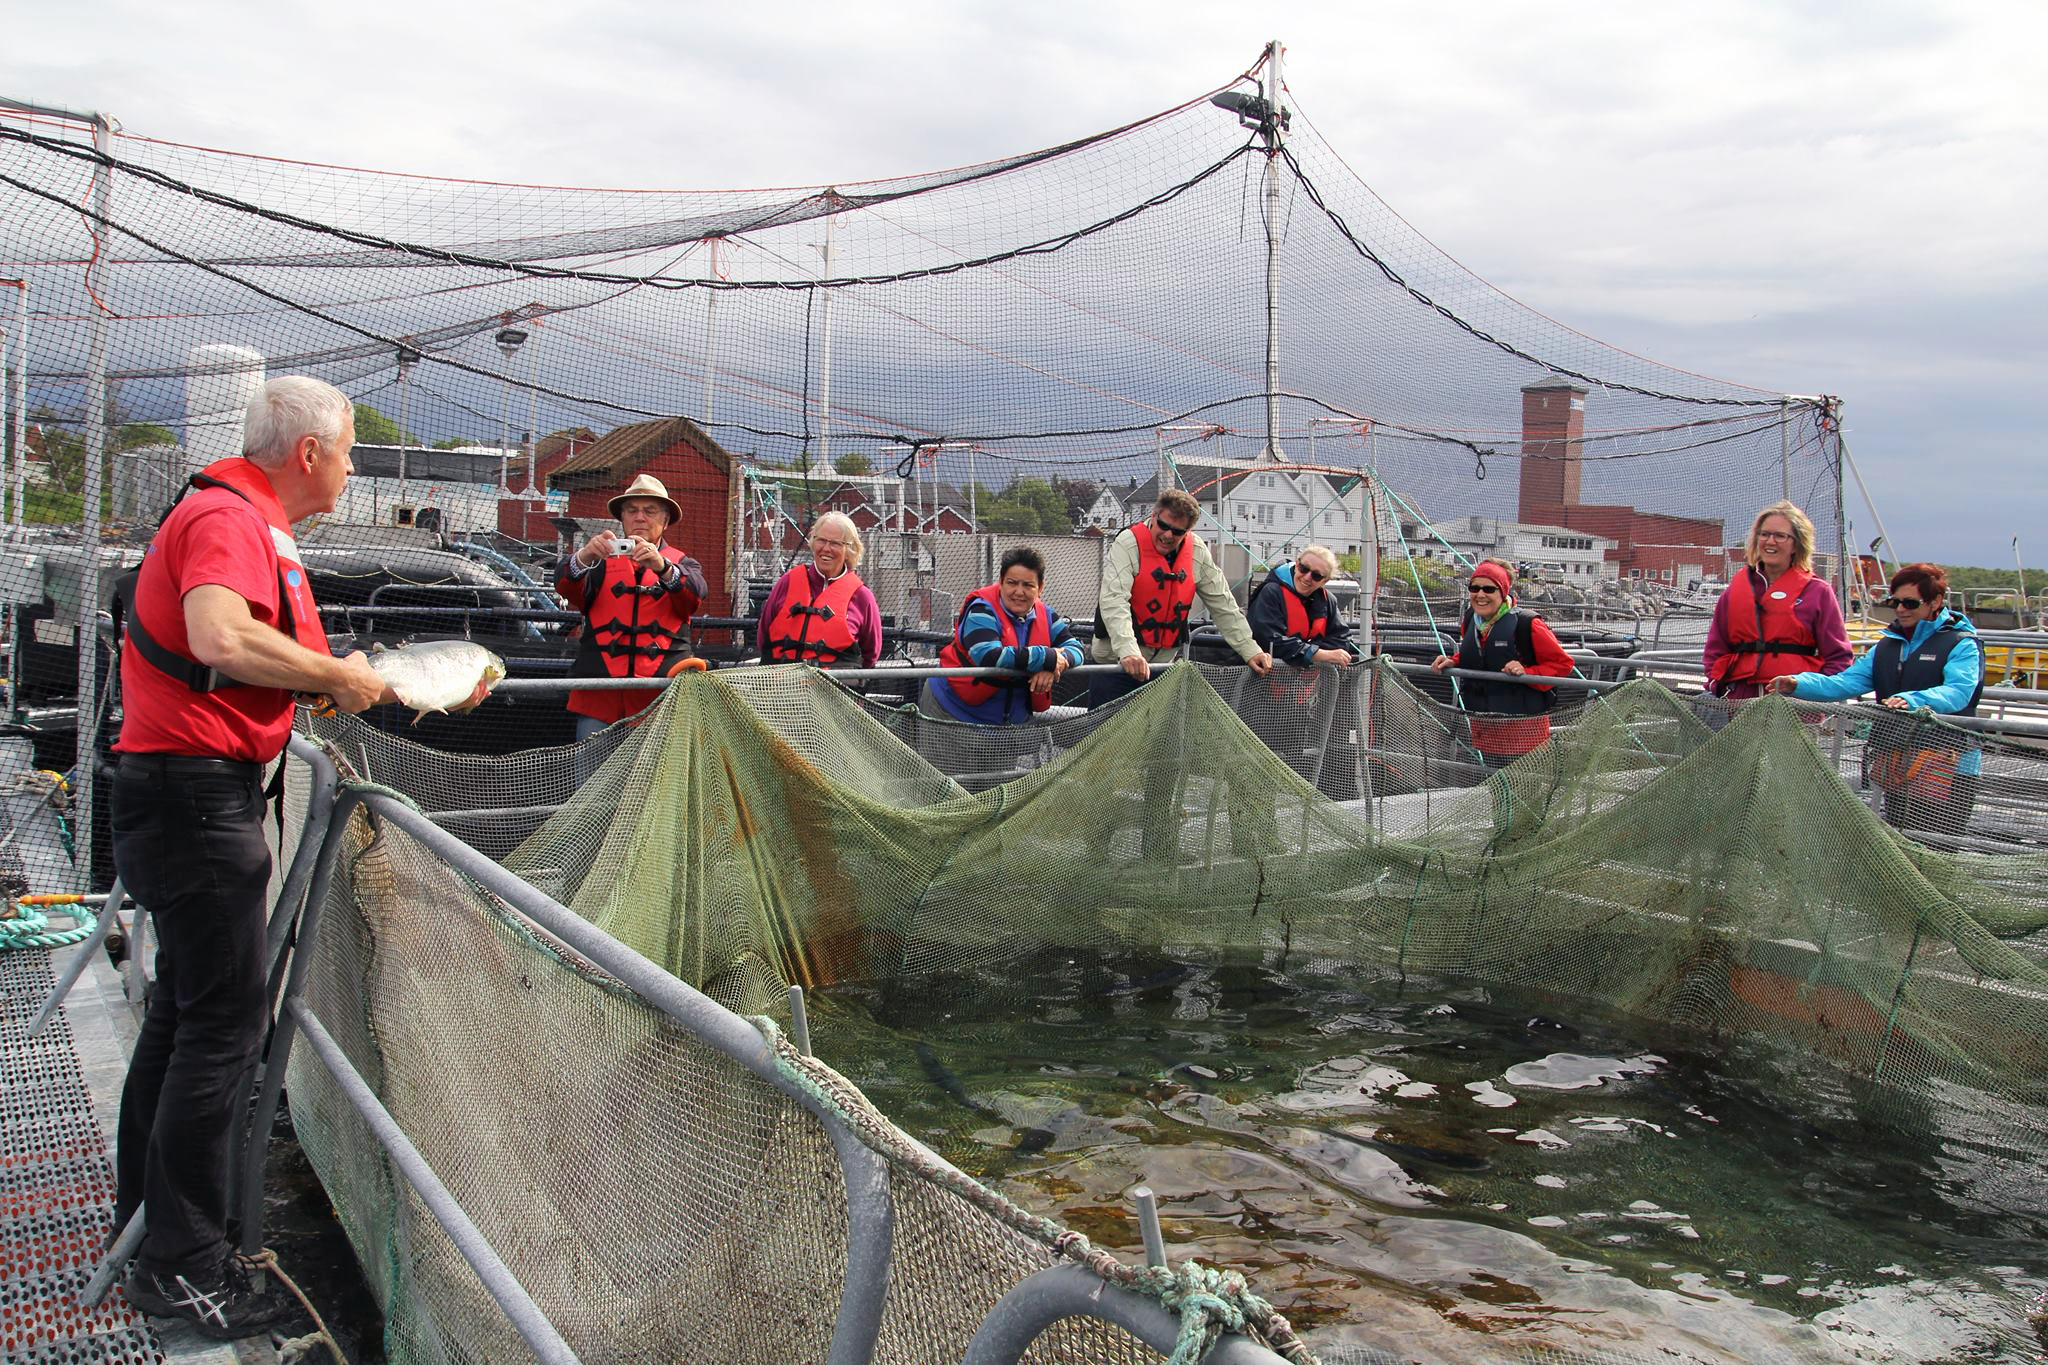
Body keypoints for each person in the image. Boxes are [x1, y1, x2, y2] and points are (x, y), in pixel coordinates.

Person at [112, 377, 395, 1339]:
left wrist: (342, 682)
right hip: (193, 796)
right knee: (223, 1028)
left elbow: (243, 652)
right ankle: (186, 1267)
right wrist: (335, 674)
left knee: (189, 1015)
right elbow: (220, 636)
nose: (354, 469)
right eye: (351, 450)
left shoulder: (228, 510)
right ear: (309, 453)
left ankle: (149, 1226)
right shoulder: (231, 515)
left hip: (178, 788)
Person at [1771, 563, 1984, 833]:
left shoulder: (1961, 643)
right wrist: (1799, 684)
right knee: (1900, 839)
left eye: (1910, 602)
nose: (1900, 609)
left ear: (1935, 602)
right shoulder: (1887, 646)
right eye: (1894, 602)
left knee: (1937, 842)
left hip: (1949, 762)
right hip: (1900, 759)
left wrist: (1913, 701)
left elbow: (1959, 691)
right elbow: (1847, 682)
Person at [555, 472, 707, 739]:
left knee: (659, 780)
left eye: (650, 511)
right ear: (622, 518)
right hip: (599, 700)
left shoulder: (684, 564)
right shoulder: (597, 562)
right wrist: (585, 555)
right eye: (632, 510)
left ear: (665, 520)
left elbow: (694, 595)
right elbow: (566, 585)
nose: (640, 517)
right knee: (595, 779)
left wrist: (661, 567)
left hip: (661, 699)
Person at [1087, 489, 1273, 705]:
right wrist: (1128, 652)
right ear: (1154, 516)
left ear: (1188, 530)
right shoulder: (1128, 544)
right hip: (1115, 667)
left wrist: (1251, 651)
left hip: (1161, 671)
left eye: (1177, 532)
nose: (1168, 535)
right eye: (1163, 526)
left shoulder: (1196, 551)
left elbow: (1223, 604)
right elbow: (1114, 601)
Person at [1430, 559, 1576, 766]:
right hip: (1486, 730)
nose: (1480, 595)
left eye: (1489, 589)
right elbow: (1479, 655)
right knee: (1496, 790)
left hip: (1523, 734)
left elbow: (1563, 664)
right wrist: (1452, 661)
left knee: (1525, 790)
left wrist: (1526, 672)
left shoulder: (1528, 624)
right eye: (1475, 588)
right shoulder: (1472, 620)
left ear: (1503, 592)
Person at [1703, 501, 1853, 700]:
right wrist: (1717, 685)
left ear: (1797, 543)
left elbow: (1839, 658)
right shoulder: (1734, 591)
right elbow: (1716, 647)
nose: (1770, 541)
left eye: (1780, 536)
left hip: (1796, 705)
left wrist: (1813, 694)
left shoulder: (1818, 592)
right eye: (1764, 534)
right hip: (1738, 700)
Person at [921, 546, 1086, 725]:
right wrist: (1047, 657)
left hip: (1007, 724)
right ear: (1001, 582)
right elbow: (988, 655)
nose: (1019, 592)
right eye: (1012, 583)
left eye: (1028, 585)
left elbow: (1077, 648)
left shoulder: (1046, 615)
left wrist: (1053, 666)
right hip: (951, 713)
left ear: (1040, 588)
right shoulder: (980, 609)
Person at [757, 510, 883, 668]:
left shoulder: (862, 597)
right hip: (781, 687)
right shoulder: (787, 583)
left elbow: (871, 655)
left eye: (835, 543)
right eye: (821, 540)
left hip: (833, 690)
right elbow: (763, 637)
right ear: (813, 542)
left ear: (849, 550)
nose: (826, 548)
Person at [1248, 544, 1362, 688]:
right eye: (1304, 569)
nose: (1307, 577)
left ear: (1325, 581)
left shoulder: (1328, 600)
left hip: (1306, 688)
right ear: (1297, 565)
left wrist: (1310, 653)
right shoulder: (1271, 592)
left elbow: (1341, 640)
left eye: (1316, 575)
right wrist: (1318, 654)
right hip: (1261, 684)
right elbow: (1268, 639)